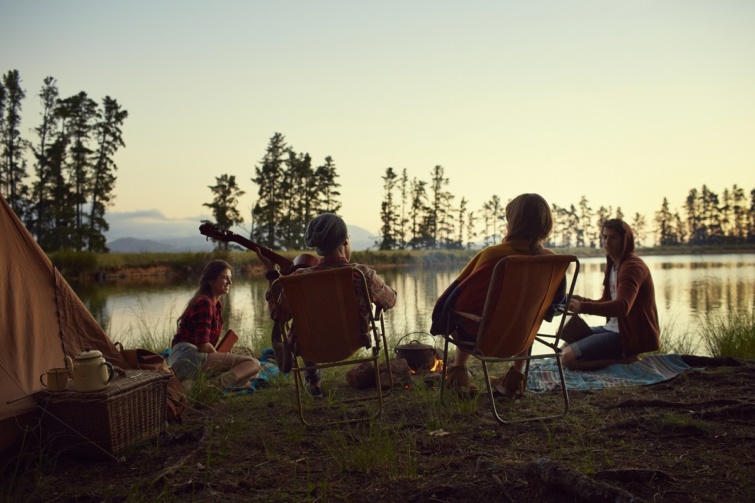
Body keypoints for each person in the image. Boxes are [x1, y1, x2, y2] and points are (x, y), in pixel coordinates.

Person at [430, 193, 563, 397]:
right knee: (528, 318)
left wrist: (443, 317)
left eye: (508, 219)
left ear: (514, 223)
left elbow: (461, 298)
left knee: (460, 316)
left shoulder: (495, 255)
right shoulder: (553, 262)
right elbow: (554, 303)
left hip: (484, 340)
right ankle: (513, 380)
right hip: (523, 338)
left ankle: (459, 376)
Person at [256, 213, 397, 397]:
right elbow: (390, 300)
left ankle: (313, 383)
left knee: (305, 326)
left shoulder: (298, 279)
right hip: (351, 342)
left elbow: (277, 315)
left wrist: (270, 272)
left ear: (319, 247)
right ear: (346, 241)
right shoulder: (361, 275)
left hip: (310, 346)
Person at [562, 219, 660, 370]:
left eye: (613, 237)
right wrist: (577, 300)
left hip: (628, 336)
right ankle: (615, 356)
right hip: (611, 329)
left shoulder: (633, 267)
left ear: (625, 240)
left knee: (567, 359)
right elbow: (605, 301)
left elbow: (622, 307)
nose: (607, 242)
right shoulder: (613, 266)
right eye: (604, 237)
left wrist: (582, 307)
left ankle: (626, 361)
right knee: (564, 347)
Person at [168, 259, 260, 389]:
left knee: (244, 370)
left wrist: (221, 356)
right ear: (210, 280)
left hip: (186, 358)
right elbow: (203, 345)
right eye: (224, 278)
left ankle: (201, 383)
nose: (230, 282)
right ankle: (214, 386)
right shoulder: (204, 303)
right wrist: (219, 355)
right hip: (187, 357)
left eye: (230, 278)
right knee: (252, 363)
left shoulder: (216, 305)